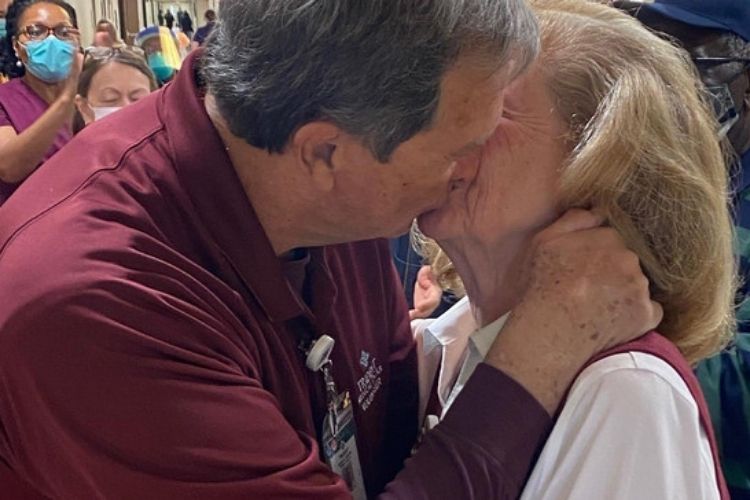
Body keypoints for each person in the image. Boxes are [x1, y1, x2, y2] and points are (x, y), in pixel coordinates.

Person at [0, 1, 661, 498]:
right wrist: (536, 352)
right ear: (325, 152)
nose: (466, 173)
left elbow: (386, 406)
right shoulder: (94, 303)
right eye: (458, 150)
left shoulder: (326, 186)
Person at [413, 0, 733, 498]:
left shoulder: (627, 390)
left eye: (492, 112)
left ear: (599, 171)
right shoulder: (441, 346)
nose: (438, 132)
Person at [612, 1, 750, 496]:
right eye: (653, 51)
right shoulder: (641, 175)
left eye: (692, 60)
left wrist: (596, 348)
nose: (668, 83)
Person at [0, 0, 81, 205]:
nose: (52, 41)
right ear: (16, 46)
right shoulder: (6, 99)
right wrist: (64, 102)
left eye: (63, 31)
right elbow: (9, 167)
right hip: (25, 225)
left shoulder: (90, 93)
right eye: (36, 31)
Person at [72, 47, 156, 133]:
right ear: (84, 107)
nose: (126, 107)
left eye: (137, 99)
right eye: (111, 99)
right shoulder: (75, 146)